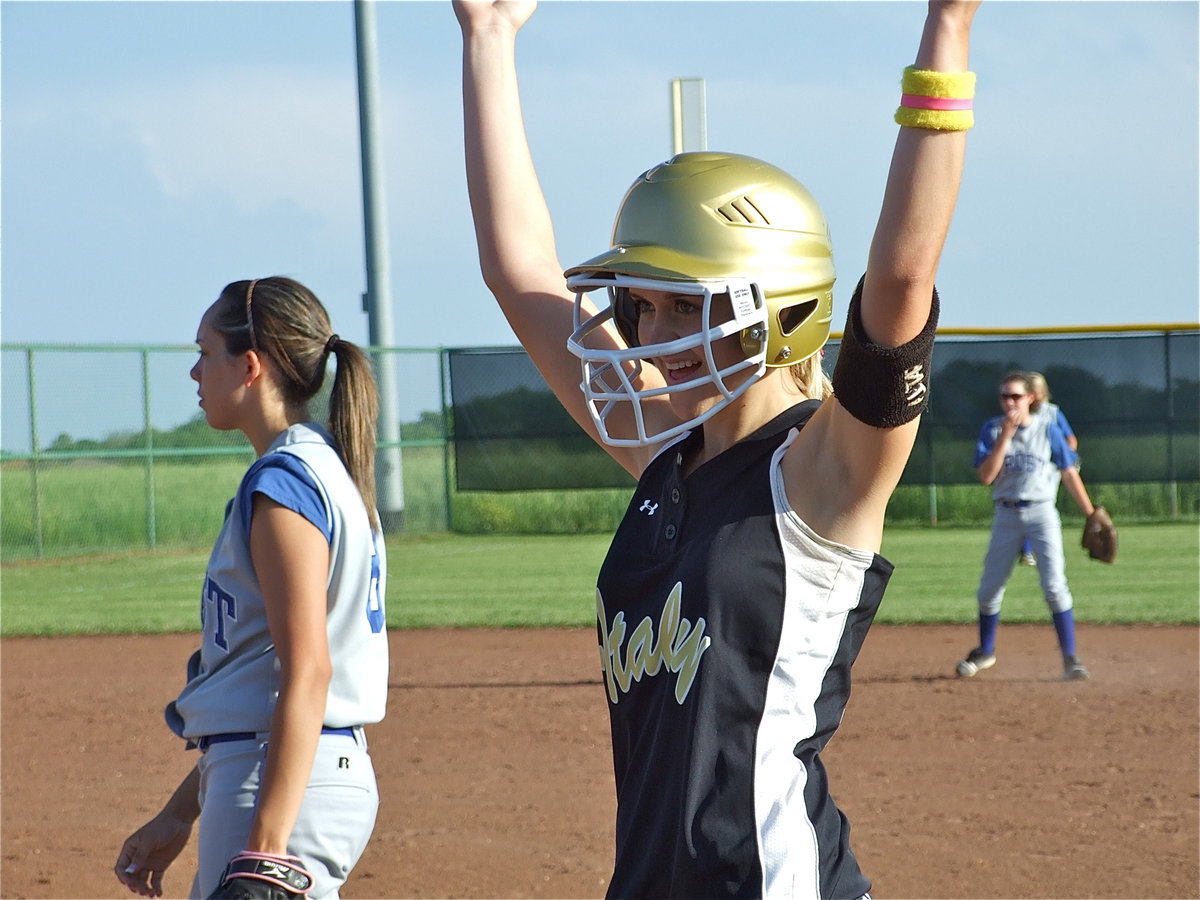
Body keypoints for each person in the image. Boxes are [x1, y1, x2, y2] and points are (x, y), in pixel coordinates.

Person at [455, 0, 978, 896]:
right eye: (640, 305)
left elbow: (901, 277)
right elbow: (519, 271)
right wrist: (488, 36)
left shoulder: (823, 475)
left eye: (682, 304)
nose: (649, 333)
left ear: (773, 309)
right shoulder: (664, 450)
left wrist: (949, 21)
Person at [114, 277, 389, 899]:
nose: (195, 371)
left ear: (250, 365)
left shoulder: (285, 486)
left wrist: (264, 852)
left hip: (281, 787)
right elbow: (257, 683)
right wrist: (181, 811)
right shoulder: (325, 467)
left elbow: (308, 673)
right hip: (287, 773)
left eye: (206, 352)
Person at [956, 370, 1094, 682]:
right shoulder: (992, 429)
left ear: (1030, 398)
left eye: (1016, 396)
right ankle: (985, 651)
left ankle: (1071, 658)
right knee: (988, 591)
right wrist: (1005, 437)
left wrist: (1090, 513)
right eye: (1004, 396)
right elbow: (986, 477)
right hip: (1006, 515)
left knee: (1055, 587)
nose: (1009, 402)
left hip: (1042, 514)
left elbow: (1069, 472)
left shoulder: (1047, 429)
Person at [1017, 370, 1078, 565]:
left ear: (1042, 391)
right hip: (1025, 467)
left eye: (1035, 389)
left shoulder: (1052, 412)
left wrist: (1062, 456)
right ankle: (1026, 549)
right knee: (1025, 505)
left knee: (1041, 506)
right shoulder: (1019, 412)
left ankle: (1032, 550)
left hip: (1049, 469)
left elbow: (1071, 441)